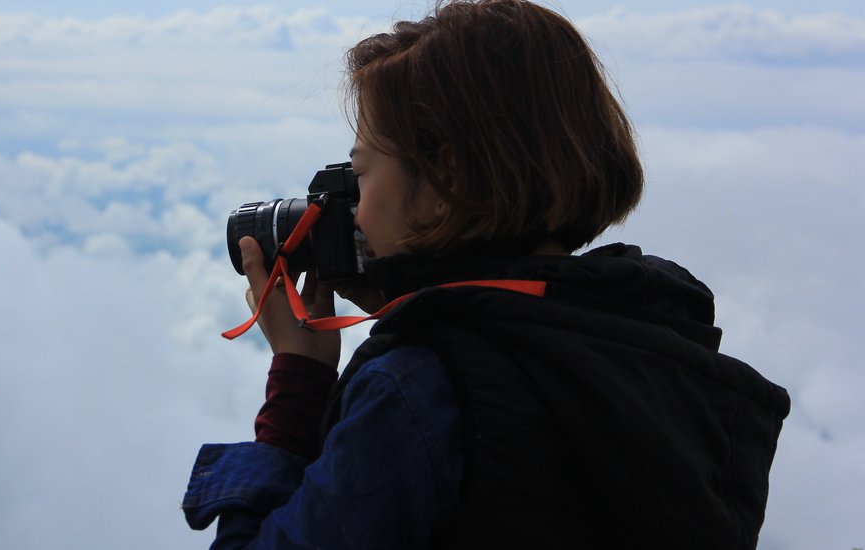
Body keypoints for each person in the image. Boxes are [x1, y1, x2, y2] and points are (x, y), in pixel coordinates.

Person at [181, 0, 790, 548]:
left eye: (361, 175)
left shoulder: (417, 388)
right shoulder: (660, 342)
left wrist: (299, 382)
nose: (353, 208)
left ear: (444, 182)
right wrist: (416, 295)